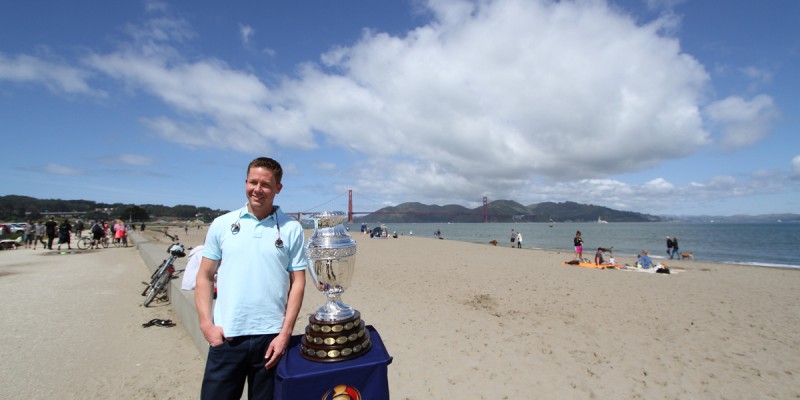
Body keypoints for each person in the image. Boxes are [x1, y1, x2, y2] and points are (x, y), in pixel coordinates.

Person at [195, 157, 307, 400]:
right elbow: (204, 276)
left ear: (278, 188)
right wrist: (206, 324)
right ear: (245, 182)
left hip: (271, 340)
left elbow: (298, 281)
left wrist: (285, 333)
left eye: (266, 184)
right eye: (253, 182)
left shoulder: (292, 228)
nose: (258, 189)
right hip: (227, 336)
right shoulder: (222, 224)